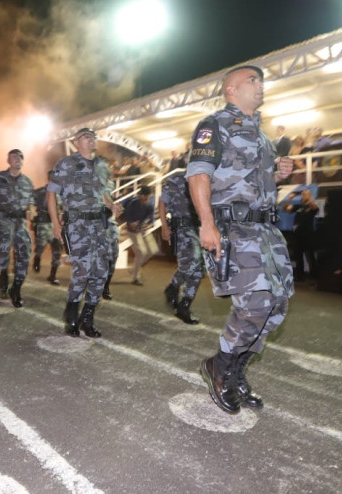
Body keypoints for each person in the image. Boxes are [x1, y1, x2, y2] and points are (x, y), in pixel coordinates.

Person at [187, 65, 294, 415]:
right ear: (231, 89)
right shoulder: (214, 125)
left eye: (261, 80)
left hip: (265, 231)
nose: (260, 85)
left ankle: (235, 372)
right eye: (252, 79)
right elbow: (198, 174)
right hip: (234, 229)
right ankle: (220, 366)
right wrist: (206, 224)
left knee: (276, 306)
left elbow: (257, 184)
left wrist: (278, 173)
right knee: (256, 304)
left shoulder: (262, 136)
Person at [48, 127, 120, 337]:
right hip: (77, 225)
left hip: (99, 225)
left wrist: (111, 205)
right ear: (76, 142)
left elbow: (103, 192)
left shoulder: (102, 166)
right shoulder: (66, 164)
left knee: (101, 272)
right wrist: (55, 223)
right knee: (82, 272)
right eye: (86, 137)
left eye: (93, 136)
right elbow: (51, 194)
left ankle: (87, 318)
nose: (91, 139)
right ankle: (71, 313)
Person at [0, 149, 34, 307]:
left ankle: (16, 288)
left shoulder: (27, 182)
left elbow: (30, 203)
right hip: (2, 220)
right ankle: (3, 276)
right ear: (8, 160)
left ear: (23, 161)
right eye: (14, 157)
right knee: (4, 251)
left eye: (20, 157)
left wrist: (31, 210)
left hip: (20, 222)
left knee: (25, 252)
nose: (17, 159)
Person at [159, 173, 203, 324]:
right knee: (193, 262)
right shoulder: (176, 178)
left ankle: (184, 305)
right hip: (181, 228)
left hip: (197, 228)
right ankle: (173, 287)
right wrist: (164, 226)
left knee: (197, 271)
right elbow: (162, 203)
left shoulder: (203, 177)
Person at [280, 189, 319, 283]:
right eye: (302, 195)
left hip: (308, 235)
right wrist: (290, 198)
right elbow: (284, 208)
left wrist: (309, 198)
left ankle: (314, 276)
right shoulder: (298, 206)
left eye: (305, 194)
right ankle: (299, 276)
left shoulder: (311, 206)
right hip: (298, 235)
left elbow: (315, 208)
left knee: (310, 256)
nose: (303, 196)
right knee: (298, 256)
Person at [32, 171, 63, 285]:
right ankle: (37, 258)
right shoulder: (40, 192)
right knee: (40, 246)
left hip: (56, 225)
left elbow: (63, 209)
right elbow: (30, 205)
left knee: (57, 250)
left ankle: (53, 275)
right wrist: (32, 219)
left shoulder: (62, 193)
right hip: (43, 224)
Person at [124, 185, 156, 285]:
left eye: (147, 196)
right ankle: (135, 278)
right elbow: (129, 221)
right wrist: (133, 224)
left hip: (143, 230)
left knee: (152, 250)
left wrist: (146, 227)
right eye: (143, 196)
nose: (144, 198)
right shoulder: (133, 204)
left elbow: (152, 222)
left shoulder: (150, 206)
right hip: (132, 231)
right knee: (141, 252)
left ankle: (134, 269)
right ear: (140, 195)